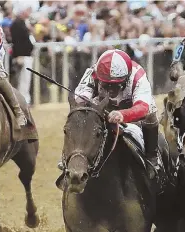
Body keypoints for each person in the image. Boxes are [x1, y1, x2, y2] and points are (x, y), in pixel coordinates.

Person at [62, 49, 161, 179]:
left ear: (126, 78)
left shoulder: (138, 77)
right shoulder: (92, 73)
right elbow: (80, 101)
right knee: (79, 120)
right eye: (106, 85)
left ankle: (152, 157)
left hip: (131, 106)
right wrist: (83, 101)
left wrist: (122, 115)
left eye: (115, 85)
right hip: (102, 106)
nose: (110, 90)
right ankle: (68, 160)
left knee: (150, 116)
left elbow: (142, 107)